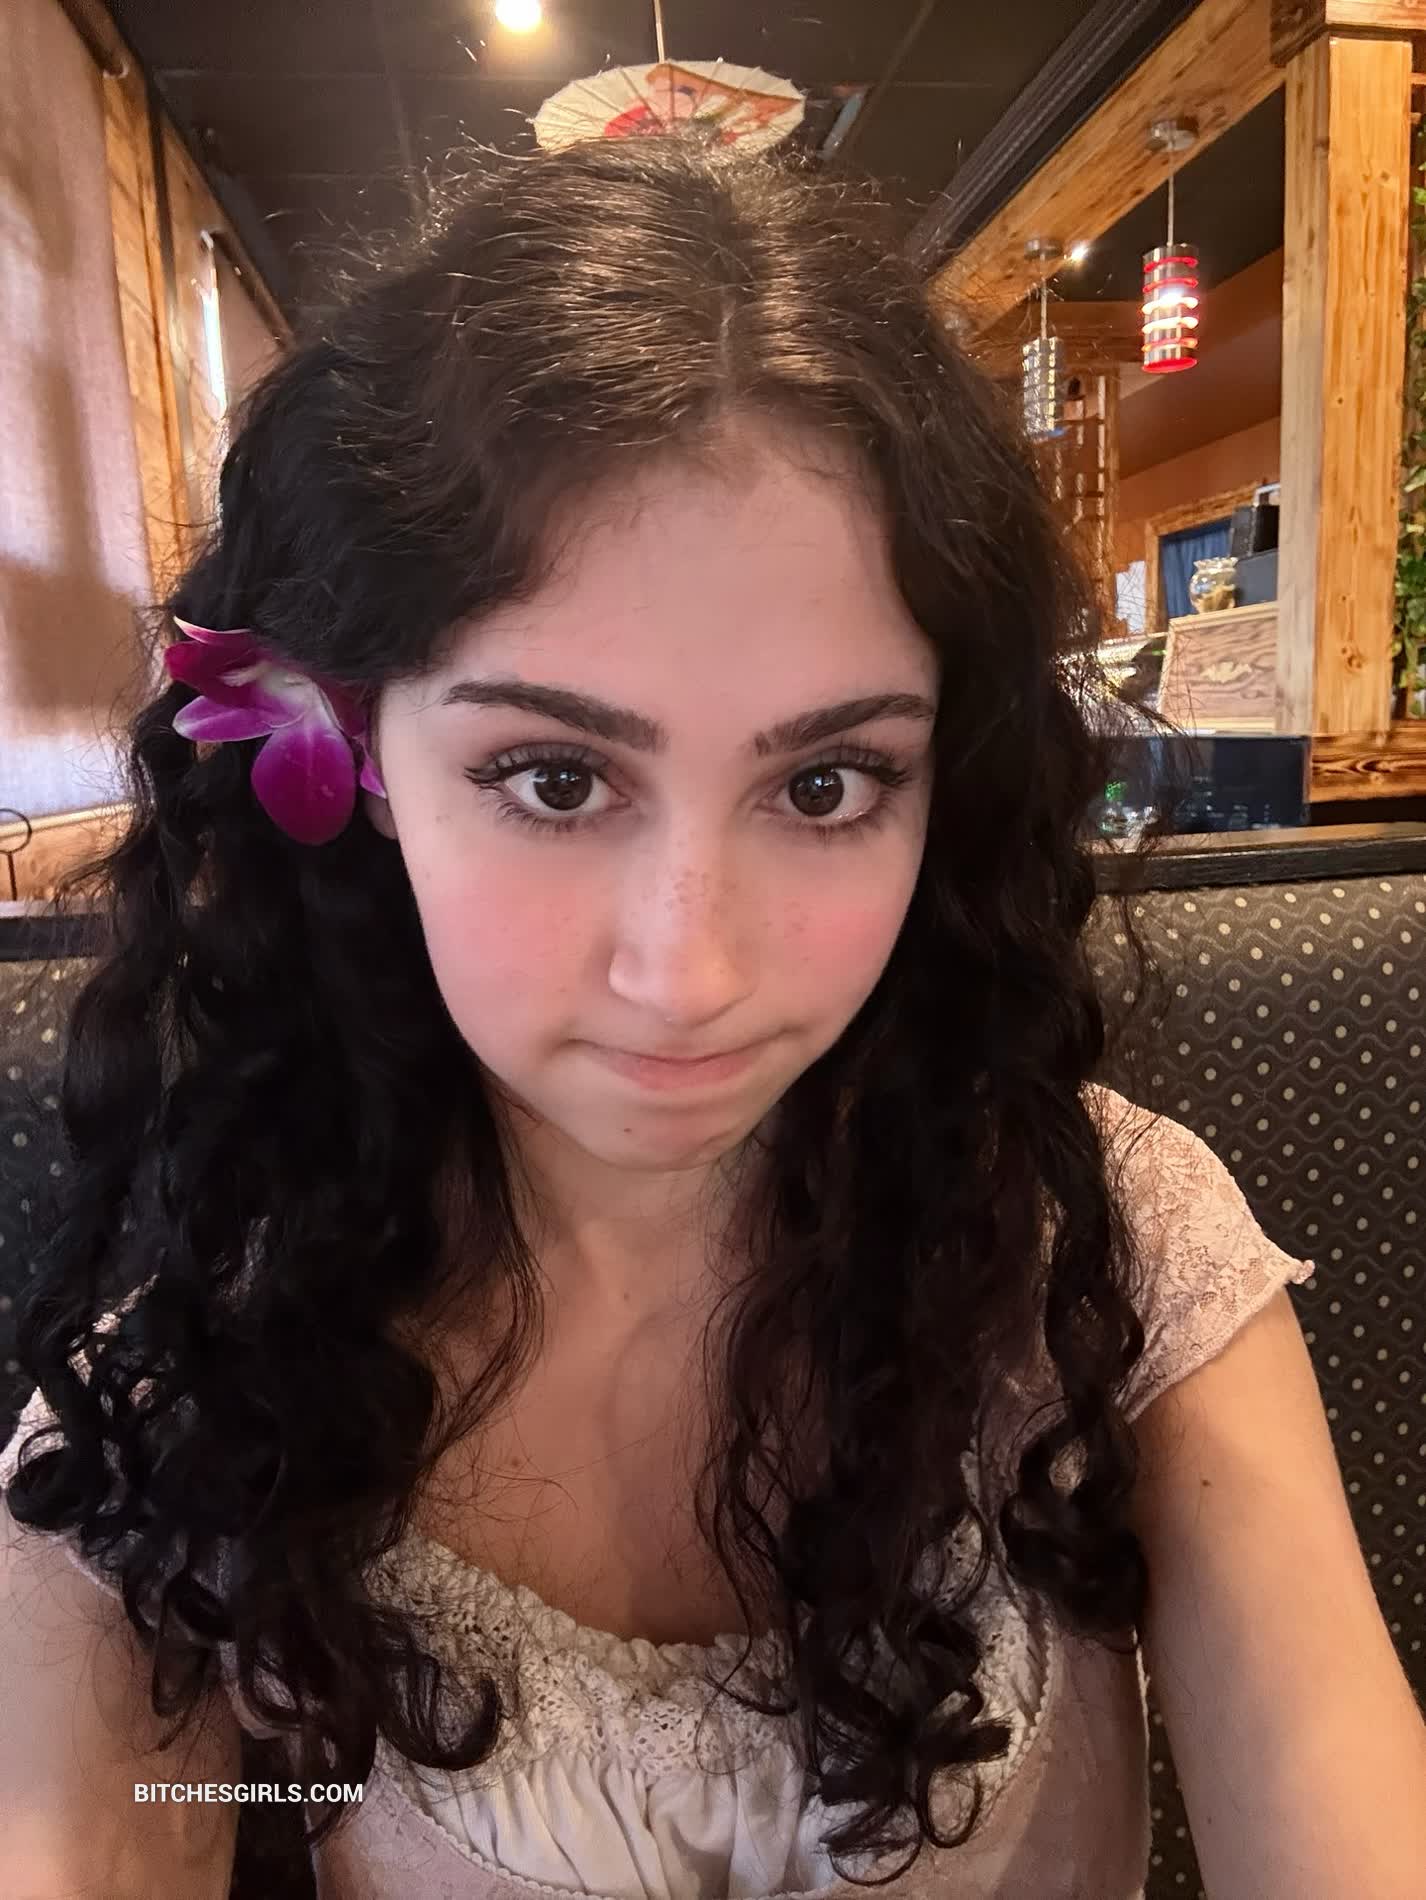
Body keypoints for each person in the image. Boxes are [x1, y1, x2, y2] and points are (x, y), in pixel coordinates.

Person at [3, 133, 1423, 1900]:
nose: (690, 973)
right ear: (360, 764)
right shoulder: (206, 1362)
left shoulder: (1110, 1254)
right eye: (551, 778)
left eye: (824, 785)